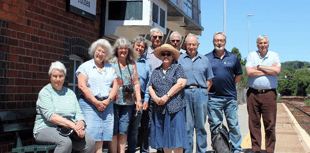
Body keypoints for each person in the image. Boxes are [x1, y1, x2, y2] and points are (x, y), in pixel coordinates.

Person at [33, 61, 95, 153]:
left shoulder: (70, 93)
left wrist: (81, 124)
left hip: (68, 129)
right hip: (46, 128)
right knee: (65, 142)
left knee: (90, 142)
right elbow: (51, 117)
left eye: (61, 76)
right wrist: (73, 126)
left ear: (64, 77)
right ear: (50, 77)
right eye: (55, 76)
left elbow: (78, 113)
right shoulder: (45, 92)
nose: (58, 79)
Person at [76, 39, 118, 153]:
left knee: (101, 135)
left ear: (106, 55)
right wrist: (96, 102)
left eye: (103, 52)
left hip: (106, 105)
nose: (100, 54)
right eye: (98, 51)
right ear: (94, 51)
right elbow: (82, 86)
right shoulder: (85, 66)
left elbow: (115, 86)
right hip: (89, 104)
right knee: (91, 135)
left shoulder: (110, 68)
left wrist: (108, 100)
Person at [205, 32, 243, 153]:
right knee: (215, 126)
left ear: (225, 42)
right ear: (213, 42)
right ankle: (219, 149)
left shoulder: (233, 57)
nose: (219, 42)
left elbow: (238, 75)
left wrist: (230, 85)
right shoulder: (207, 58)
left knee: (233, 125)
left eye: (221, 40)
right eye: (217, 40)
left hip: (230, 98)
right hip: (213, 98)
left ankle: (236, 149)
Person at [148, 44, 188, 153]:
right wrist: (156, 98)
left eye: (168, 54)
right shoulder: (156, 71)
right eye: (163, 54)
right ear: (160, 56)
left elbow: (181, 83)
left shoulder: (178, 68)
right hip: (160, 109)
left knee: (177, 139)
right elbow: (150, 86)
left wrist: (167, 96)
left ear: (172, 56)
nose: (166, 56)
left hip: (175, 109)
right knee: (164, 140)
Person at [178, 33, 214, 153]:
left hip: (201, 93)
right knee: (187, 126)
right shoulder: (179, 59)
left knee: (201, 127)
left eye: (194, 44)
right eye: (189, 44)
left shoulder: (205, 60)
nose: (191, 47)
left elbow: (209, 80)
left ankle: (201, 151)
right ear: (185, 45)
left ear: (198, 45)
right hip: (185, 93)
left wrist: (203, 93)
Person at [245, 35, 281, 153]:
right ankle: (256, 150)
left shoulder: (274, 55)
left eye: (265, 43)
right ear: (257, 45)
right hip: (253, 94)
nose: (263, 45)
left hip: (269, 94)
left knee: (270, 124)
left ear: (268, 44)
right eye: (260, 43)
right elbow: (249, 71)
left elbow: (277, 71)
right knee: (254, 123)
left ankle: (270, 150)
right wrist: (268, 70)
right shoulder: (251, 55)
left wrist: (259, 67)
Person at [110, 37, 142, 153]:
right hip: (113, 102)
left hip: (128, 103)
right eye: (121, 48)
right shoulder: (111, 63)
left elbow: (136, 83)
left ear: (129, 50)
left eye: (125, 48)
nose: (123, 51)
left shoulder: (132, 64)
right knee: (114, 131)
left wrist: (139, 100)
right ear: (116, 50)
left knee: (123, 130)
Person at [127, 36, 151, 153]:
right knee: (123, 127)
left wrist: (146, 100)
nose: (140, 48)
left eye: (142, 47)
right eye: (138, 45)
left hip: (140, 98)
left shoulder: (146, 64)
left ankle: (132, 150)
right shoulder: (126, 59)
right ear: (133, 46)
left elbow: (148, 84)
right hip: (125, 97)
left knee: (135, 129)